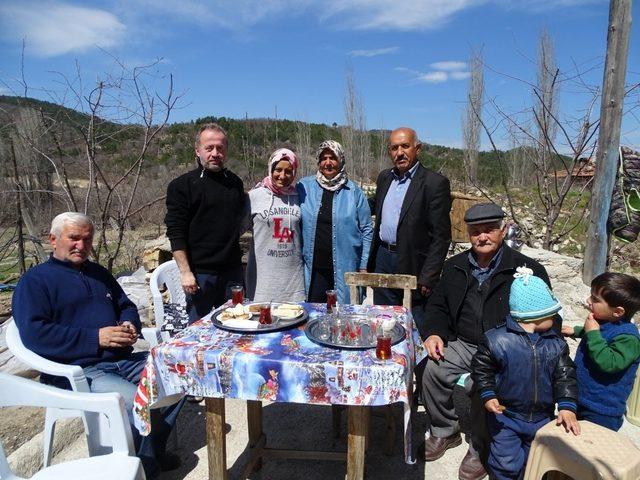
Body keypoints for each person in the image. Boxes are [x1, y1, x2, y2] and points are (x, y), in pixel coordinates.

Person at [12, 212, 182, 479]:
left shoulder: (98, 273)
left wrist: (129, 325)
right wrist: (95, 338)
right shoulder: (35, 281)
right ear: (53, 240)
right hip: (80, 370)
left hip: (123, 359)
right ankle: (143, 469)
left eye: (87, 239)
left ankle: (152, 452)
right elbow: (35, 335)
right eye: (74, 238)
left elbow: (125, 305)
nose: (82, 245)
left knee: (179, 377)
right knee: (135, 402)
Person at [419, 202, 552, 480]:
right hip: (465, 343)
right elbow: (437, 306)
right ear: (468, 234)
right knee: (432, 370)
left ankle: (479, 447)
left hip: (505, 348)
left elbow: (548, 315)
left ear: (503, 230)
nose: (483, 237)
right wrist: (433, 333)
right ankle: (446, 430)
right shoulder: (454, 267)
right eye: (476, 232)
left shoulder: (527, 269)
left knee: (484, 386)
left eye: (490, 230)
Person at [472, 267, 580, 480]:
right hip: (506, 416)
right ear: (535, 316)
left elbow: (565, 375)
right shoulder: (497, 340)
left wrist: (567, 405)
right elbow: (482, 369)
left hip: (542, 417)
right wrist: (488, 394)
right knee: (505, 460)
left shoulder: (555, 344)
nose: (556, 318)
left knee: (535, 459)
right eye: (552, 314)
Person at [367, 127, 451, 329]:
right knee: (383, 318)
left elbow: (442, 235)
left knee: (413, 321)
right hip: (382, 258)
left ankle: (415, 359)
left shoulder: (434, 183)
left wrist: (429, 275)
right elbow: (373, 204)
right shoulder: (385, 178)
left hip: (414, 262)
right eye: (394, 148)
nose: (399, 152)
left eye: (405, 146)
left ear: (417, 148)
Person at [165, 122, 245, 322]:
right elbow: (176, 232)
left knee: (235, 327)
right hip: (200, 275)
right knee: (197, 331)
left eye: (220, 148)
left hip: (232, 272)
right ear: (198, 150)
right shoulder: (182, 186)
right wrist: (185, 272)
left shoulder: (235, 183)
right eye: (209, 148)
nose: (215, 153)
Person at [297, 140, 373, 304]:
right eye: (324, 158)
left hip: (346, 267)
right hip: (314, 269)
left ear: (341, 161)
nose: (328, 163)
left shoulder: (354, 192)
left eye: (333, 158)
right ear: (318, 161)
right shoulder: (304, 187)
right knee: (314, 315)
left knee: (344, 317)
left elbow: (367, 230)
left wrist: (364, 264)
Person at [562, 272, 640, 431]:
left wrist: (592, 333)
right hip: (581, 397)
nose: (588, 301)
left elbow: (609, 363)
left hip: (602, 409)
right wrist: (577, 331)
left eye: (595, 299)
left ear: (618, 312)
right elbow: (600, 334)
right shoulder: (604, 321)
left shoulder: (629, 338)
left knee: (593, 447)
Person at [245, 148, 305, 303]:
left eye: (288, 171)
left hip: (293, 280)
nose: (282, 176)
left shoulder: (299, 197)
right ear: (270, 168)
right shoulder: (254, 196)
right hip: (263, 281)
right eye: (278, 170)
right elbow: (233, 230)